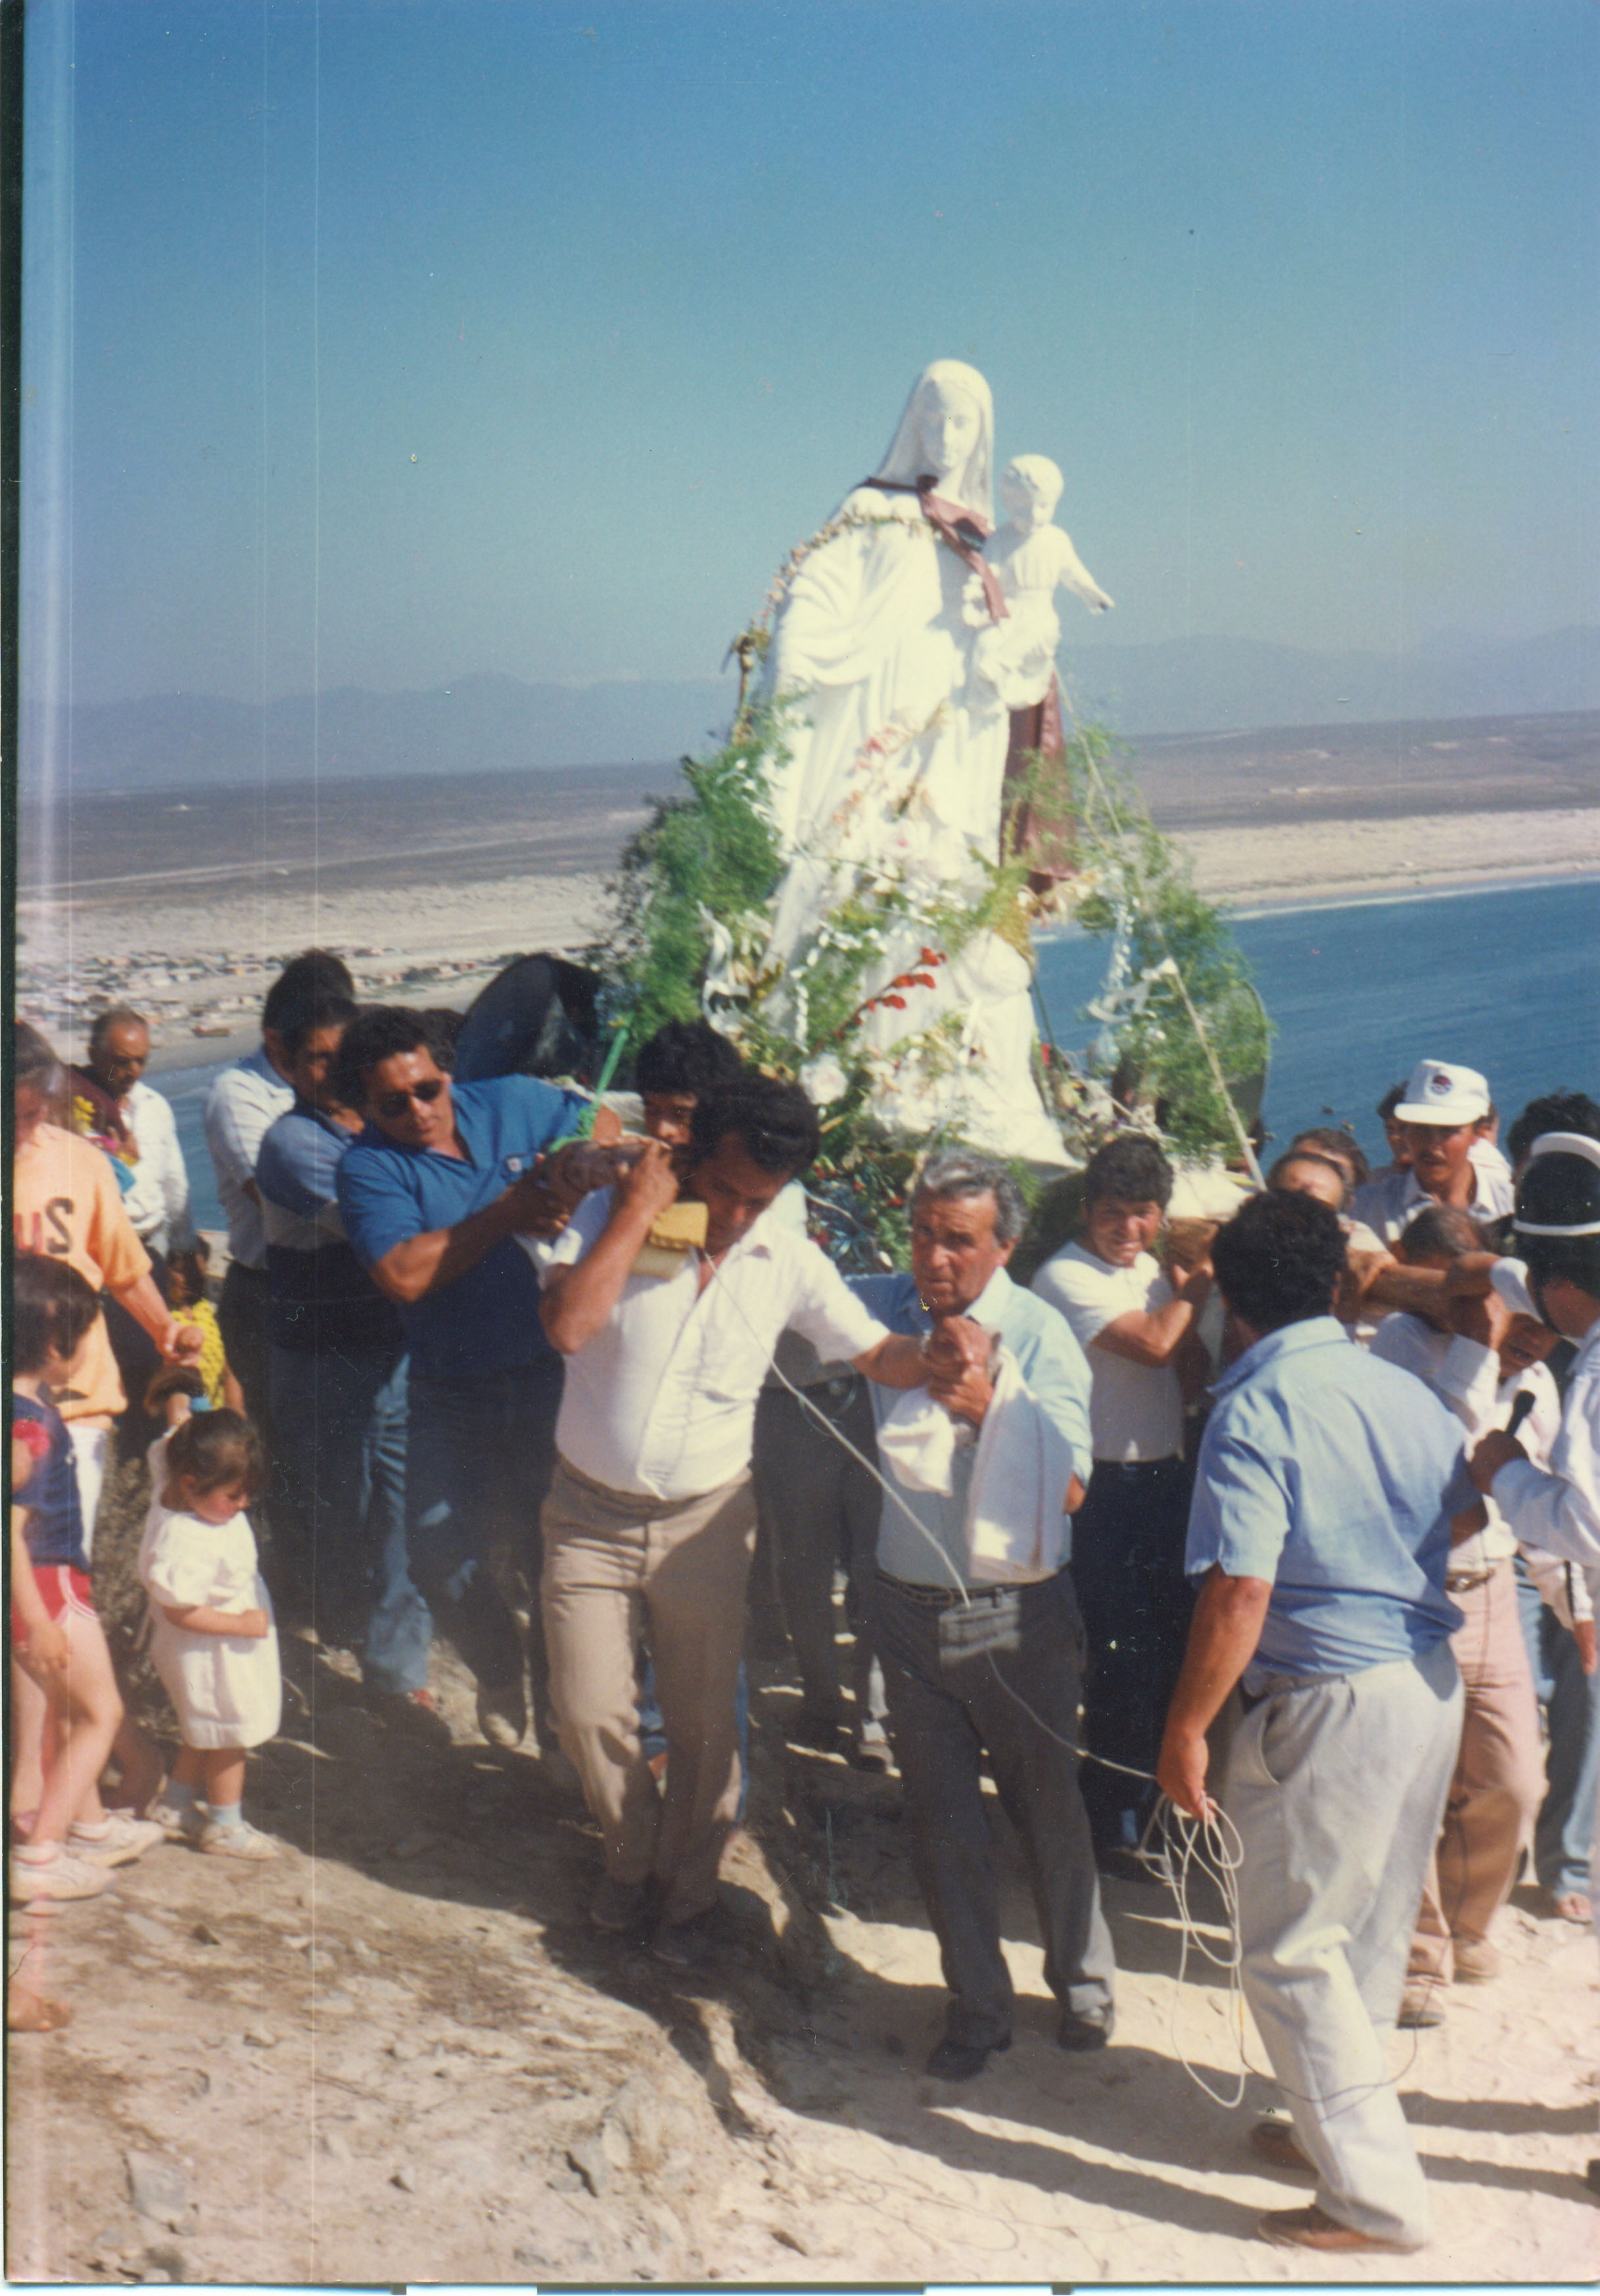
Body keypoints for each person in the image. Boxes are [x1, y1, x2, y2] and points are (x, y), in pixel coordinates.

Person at [535, 1075, 928, 1963]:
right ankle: (631, 1860)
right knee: (588, 1710)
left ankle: (688, 1895)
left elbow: (874, 1351)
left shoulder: (784, 1255)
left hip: (707, 1520)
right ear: (686, 1157)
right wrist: (638, 1209)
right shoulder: (608, 1211)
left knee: (707, 1724)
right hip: (588, 1516)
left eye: (760, 1199)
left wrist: (939, 1355)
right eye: (723, 1191)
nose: (737, 1217)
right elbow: (566, 1326)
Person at [1158, 1188, 1475, 2256]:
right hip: (1423, 1678)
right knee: (1369, 1930)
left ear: (1226, 1296)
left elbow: (1238, 1586)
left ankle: (1372, 2199)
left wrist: (1187, 1725)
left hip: (1332, 1691)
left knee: (1290, 1950)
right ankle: (1321, 2130)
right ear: (1337, 1287)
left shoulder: (1251, 1406)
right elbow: (1462, 1507)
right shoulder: (1396, 1383)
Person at [854, 1148, 1113, 2079]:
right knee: (939, 1818)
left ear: (1003, 1246)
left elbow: (1074, 1485)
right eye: (922, 1235)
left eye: (957, 1241)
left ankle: (1082, 1985)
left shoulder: (1038, 1332)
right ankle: (975, 2008)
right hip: (903, 1604)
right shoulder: (885, 1307)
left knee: (1044, 1801)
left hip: (1010, 1612)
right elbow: (792, 1296)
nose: (933, 1258)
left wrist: (987, 1412)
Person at [333, 1004, 600, 1752]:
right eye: (393, 1103)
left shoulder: (514, 1098)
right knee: (435, 1553)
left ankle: (559, 1733)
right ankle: (497, 1664)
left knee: (557, 1558)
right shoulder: (367, 1167)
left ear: (444, 1070)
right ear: (365, 1107)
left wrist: (573, 1167)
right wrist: (509, 1210)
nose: (418, 1110)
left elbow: (606, 1125)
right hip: (452, 1387)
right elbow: (402, 1273)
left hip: (555, 1375)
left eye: (427, 1088)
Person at [1367, 1206, 1544, 2023]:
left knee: (1512, 1778)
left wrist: (1572, 1597)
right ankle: (1417, 1952)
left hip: (1497, 1591)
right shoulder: (1402, 1346)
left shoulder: (1536, 1375)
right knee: (1416, 1780)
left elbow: (1548, 1488)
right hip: (1421, 1592)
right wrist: (1477, 1350)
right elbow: (1440, 1451)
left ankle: (1470, 1924)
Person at [1030, 1133, 1211, 1873]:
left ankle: (1141, 1809)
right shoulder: (1065, 1277)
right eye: (1113, 1214)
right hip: (1102, 1491)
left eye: (1142, 1215)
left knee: (1166, 1654)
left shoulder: (1152, 1274)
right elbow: (1155, 1348)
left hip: (1163, 1480)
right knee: (1118, 1659)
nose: (1127, 1231)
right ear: (1086, 1208)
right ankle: (1108, 1820)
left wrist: (1180, 1287)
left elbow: (1190, 1371)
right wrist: (1199, 1280)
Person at [256, 990, 435, 1727]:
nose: (332, 1072)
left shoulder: (386, 1131)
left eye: (342, 1055)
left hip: (388, 1349)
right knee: (344, 1509)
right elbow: (389, 1228)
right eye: (317, 1058)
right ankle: (352, 1635)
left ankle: (397, 1672)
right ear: (287, 1064)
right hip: (319, 1354)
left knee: (401, 1506)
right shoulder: (294, 1144)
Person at [10, 1259, 166, 1906]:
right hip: (50, 1586)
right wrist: (41, 1620)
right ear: (54, 1346)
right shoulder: (33, 1428)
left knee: (76, 1713)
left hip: (43, 1586)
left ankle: (80, 1826)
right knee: (100, 1713)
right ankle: (43, 1851)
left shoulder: (23, 1409)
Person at [12, 1020, 203, 1551]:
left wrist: (168, 1330)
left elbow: (125, 1271)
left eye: (34, 1114)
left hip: (77, 1400)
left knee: (63, 1564)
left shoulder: (82, 1162)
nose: (25, 1131)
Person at [204, 950, 357, 1440]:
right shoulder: (238, 1092)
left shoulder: (347, 1088)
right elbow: (269, 1194)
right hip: (273, 1291)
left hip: (341, 1285)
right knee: (282, 1445)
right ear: (277, 1038)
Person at [139, 1403, 282, 1858]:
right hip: (209, 1649)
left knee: (206, 1727)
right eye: (234, 1496)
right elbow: (180, 1609)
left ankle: (176, 1803)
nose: (244, 1505)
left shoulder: (177, 1473)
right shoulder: (186, 1538)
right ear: (191, 1484)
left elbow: (173, 1435)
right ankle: (225, 1825)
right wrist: (241, 1623)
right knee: (229, 1735)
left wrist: (185, 1403)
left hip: (216, 1646)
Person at [71, 1006, 195, 1261]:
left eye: (141, 1060)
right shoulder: (72, 1112)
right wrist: (120, 1163)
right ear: (94, 1056)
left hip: (153, 1246)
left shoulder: (155, 1106)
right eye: (123, 1061)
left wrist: (185, 1248)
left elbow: (175, 1185)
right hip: (100, 1253)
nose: (134, 1071)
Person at [1352, 1059, 1513, 1244]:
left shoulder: (1510, 1204)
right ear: (1405, 1131)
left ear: (1478, 1133)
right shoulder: (1368, 1207)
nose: (1432, 1143)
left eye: (1448, 1130)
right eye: (1421, 1128)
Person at [164, 1240, 242, 1412]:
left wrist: (236, 1416)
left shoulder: (207, 1313)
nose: (187, 1280)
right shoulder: (162, 1318)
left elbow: (229, 1371)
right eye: (179, 1271)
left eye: (194, 1273)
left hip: (214, 1413)